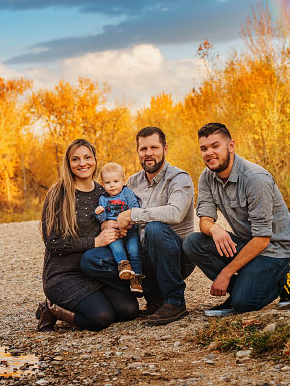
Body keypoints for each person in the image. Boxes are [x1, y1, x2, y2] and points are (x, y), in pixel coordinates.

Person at [81, 127, 195, 325]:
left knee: (154, 228)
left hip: (176, 256)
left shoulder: (179, 178)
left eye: (154, 147)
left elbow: (175, 213)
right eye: (143, 149)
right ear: (138, 152)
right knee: (91, 259)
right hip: (141, 255)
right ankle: (151, 296)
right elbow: (112, 206)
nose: (148, 153)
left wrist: (133, 215)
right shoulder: (131, 182)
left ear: (165, 149)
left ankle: (174, 300)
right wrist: (109, 223)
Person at [183, 122, 290, 316]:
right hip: (248, 244)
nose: (209, 152)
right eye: (204, 148)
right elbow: (204, 220)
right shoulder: (206, 177)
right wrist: (214, 229)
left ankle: (281, 280)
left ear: (231, 146)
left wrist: (225, 274)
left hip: (275, 250)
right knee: (193, 242)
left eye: (215, 146)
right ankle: (243, 288)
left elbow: (263, 239)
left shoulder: (255, 178)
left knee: (244, 304)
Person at [36, 139, 139, 332]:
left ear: (95, 160)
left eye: (87, 157)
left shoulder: (104, 190)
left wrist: (114, 225)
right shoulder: (58, 194)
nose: (82, 163)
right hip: (63, 275)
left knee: (129, 310)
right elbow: (52, 241)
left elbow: (114, 222)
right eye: (75, 159)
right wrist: (95, 241)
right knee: (100, 318)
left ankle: (86, 302)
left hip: (94, 270)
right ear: (68, 163)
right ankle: (53, 309)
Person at [94, 162, 143, 294]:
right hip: (114, 231)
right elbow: (102, 220)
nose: (112, 185)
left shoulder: (127, 193)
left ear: (123, 180)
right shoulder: (103, 198)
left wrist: (129, 221)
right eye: (108, 182)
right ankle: (124, 267)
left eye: (116, 181)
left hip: (130, 229)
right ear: (102, 184)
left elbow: (135, 207)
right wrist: (99, 212)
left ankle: (137, 278)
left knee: (134, 250)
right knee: (116, 247)